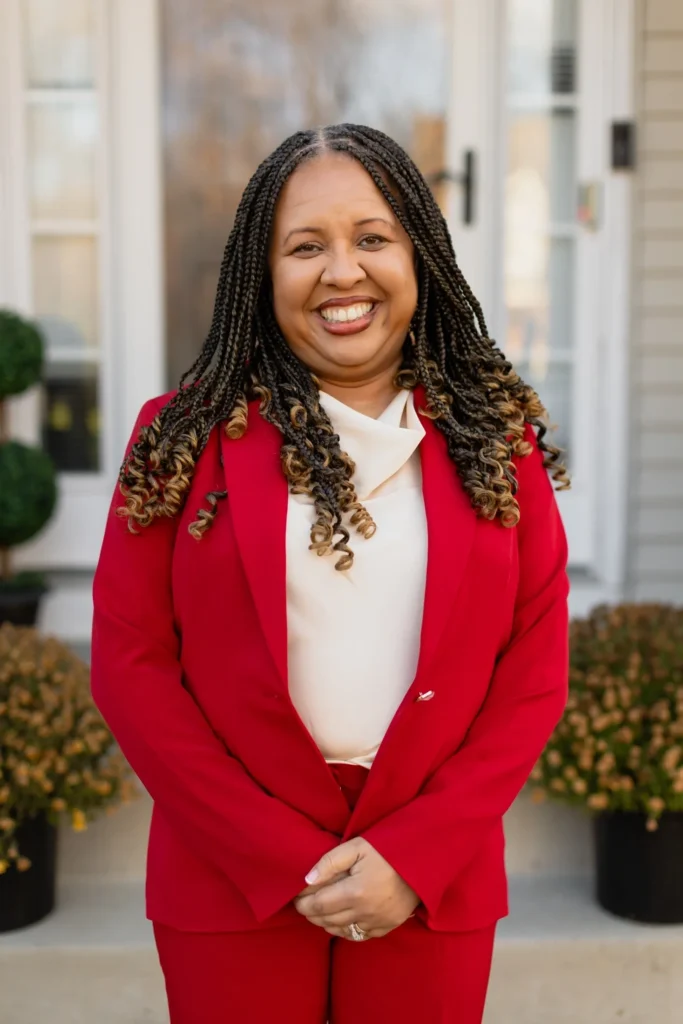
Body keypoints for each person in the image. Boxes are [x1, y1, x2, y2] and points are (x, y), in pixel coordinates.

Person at [90, 123, 570, 1024]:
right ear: (261, 275)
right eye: (304, 245)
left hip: (430, 878)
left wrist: (414, 856)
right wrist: (277, 855)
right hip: (228, 874)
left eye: (372, 238)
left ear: (418, 258)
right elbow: (131, 666)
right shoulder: (180, 437)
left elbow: (532, 673)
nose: (341, 271)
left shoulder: (496, 450)